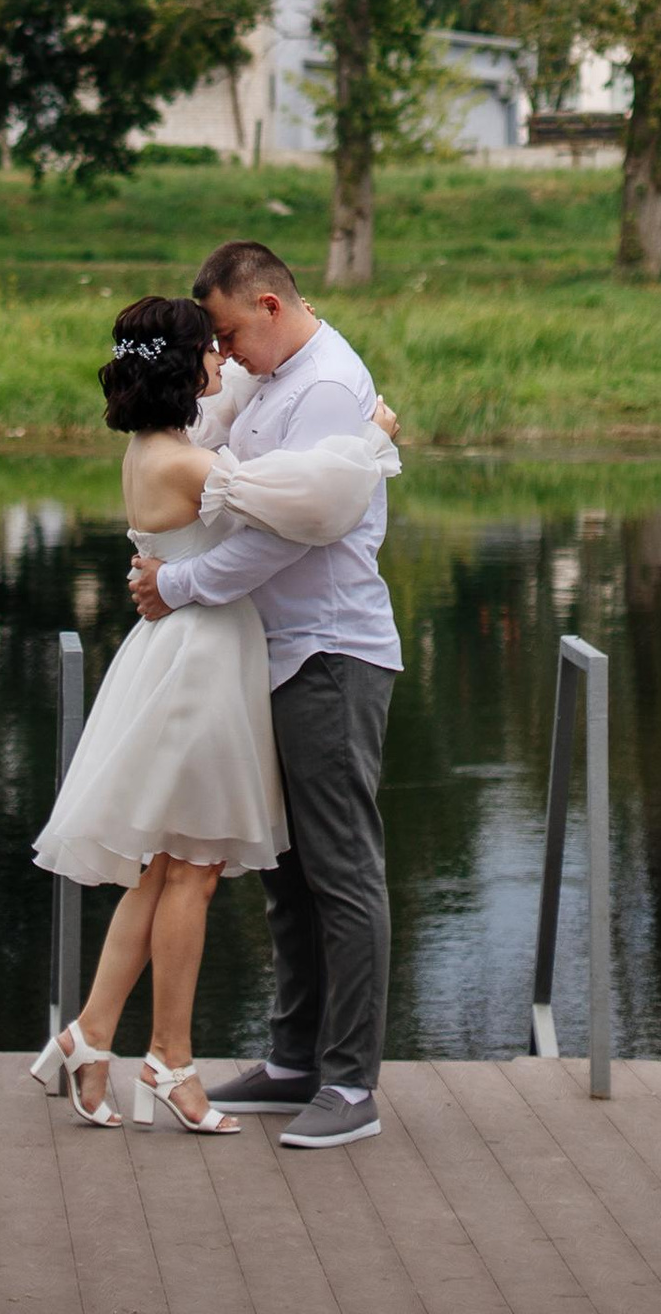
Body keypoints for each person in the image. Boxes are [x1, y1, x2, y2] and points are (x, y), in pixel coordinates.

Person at [30, 292, 399, 1138]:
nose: (223, 364)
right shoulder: (189, 464)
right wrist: (372, 441)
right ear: (182, 366)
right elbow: (306, 506)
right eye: (211, 351)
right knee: (190, 868)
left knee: (162, 868)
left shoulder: (156, 445)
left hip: (184, 653)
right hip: (200, 660)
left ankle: (94, 1039)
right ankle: (170, 1064)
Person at [126, 239, 400, 1150]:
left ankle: (351, 1086)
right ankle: (293, 1060)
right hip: (271, 651)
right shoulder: (270, 377)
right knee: (287, 873)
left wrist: (181, 586)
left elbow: (300, 532)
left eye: (233, 331)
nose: (228, 350)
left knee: (342, 870)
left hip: (329, 648)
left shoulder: (322, 385)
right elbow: (214, 477)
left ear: (272, 308)